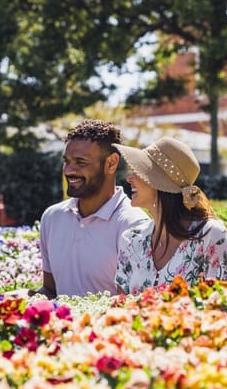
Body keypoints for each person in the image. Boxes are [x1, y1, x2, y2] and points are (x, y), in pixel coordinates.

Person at [34, 119, 148, 298]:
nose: (69, 171)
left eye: (80, 162)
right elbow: (50, 290)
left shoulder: (134, 225)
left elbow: (134, 304)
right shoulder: (52, 217)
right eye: (67, 161)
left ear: (111, 163)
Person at [112, 137, 227, 295]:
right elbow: (121, 308)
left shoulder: (210, 235)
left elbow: (220, 305)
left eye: (139, 172)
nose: (130, 178)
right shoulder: (131, 240)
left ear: (160, 185)